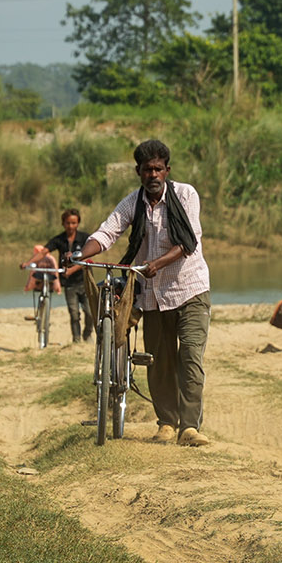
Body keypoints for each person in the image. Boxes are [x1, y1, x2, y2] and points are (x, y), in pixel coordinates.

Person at [83, 138, 213, 447]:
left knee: (190, 357)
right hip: (152, 295)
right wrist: (81, 254)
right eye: (146, 170)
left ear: (167, 170)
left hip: (190, 289)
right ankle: (166, 423)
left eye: (157, 169)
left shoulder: (185, 195)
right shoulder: (133, 203)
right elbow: (107, 231)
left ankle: (189, 427)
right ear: (138, 172)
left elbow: (188, 241)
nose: (152, 175)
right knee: (158, 362)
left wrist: (157, 262)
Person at [32, 207, 93, 344]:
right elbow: (44, 252)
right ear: (63, 223)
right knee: (74, 314)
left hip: (86, 282)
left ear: (78, 223)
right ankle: (76, 340)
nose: (70, 226)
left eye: (73, 223)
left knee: (90, 313)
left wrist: (71, 270)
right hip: (69, 284)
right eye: (68, 223)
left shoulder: (85, 238)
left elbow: (86, 260)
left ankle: (87, 334)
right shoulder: (59, 239)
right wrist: (28, 262)